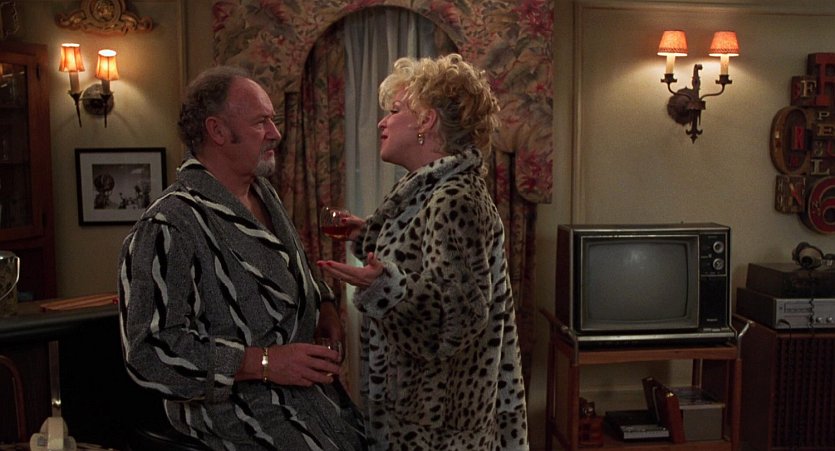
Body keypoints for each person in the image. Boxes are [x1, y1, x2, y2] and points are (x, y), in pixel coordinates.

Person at [117, 66, 366, 450]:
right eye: (261, 122)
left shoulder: (265, 195)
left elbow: (289, 270)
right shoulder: (169, 225)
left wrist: (326, 306)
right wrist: (263, 363)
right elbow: (150, 353)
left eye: (273, 120)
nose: (276, 133)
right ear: (217, 131)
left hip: (315, 404)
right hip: (239, 421)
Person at [317, 54, 529, 450]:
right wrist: (370, 236)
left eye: (394, 111)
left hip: (436, 431)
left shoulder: (454, 198)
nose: (382, 123)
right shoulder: (429, 189)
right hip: (425, 420)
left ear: (426, 121)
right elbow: (425, 265)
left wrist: (385, 288)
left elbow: (457, 319)